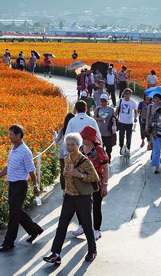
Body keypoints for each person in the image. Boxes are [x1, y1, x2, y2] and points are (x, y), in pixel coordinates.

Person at [42, 133, 99, 265]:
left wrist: (80, 175)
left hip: (82, 198)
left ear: (79, 145)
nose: (70, 147)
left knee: (86, 225)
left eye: (73, 144)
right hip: (69, 197)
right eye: (67, 144)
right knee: (61, 225)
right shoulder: (67, 159)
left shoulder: (85, 161)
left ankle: (92, 250)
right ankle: (55, 254)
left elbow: (95, 178)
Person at [0, 125, 44, 251]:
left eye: (11, 134)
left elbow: (31, 171)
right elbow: (8, 167)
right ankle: (34, 229)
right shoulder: (13, 148)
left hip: (20, 185)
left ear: (19, 135)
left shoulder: (25, 151)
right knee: (16, 211)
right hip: (13, 185)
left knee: (14, 214)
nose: (9, 137)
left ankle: (8, 242)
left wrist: (35, 186)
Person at [74, 126, 109, 241]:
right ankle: (82, 226)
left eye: (84, 137)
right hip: (82, 180)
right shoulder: (81, 148)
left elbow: (106, 168)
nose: (82, 139)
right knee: (80, 205)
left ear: (90, 138)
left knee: (96, 206)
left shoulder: (99, 150)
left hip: (96, 181)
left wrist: (105, 185)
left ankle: (97, 230)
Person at [52, 111, 75, 191]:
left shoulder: (62, 129)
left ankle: (63, 189)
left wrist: (54, 134)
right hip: (71, 152)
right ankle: (70, 189)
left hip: (62, 152)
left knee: (63, 171)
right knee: (71, 171)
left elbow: (56, 140)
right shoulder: (73, 129)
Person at [93, 95, 117, 160]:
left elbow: (114, 117)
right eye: (102, 101)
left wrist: (114, 119)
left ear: (107, 101)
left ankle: (108, 159)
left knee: (109, 149)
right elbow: (94, 118)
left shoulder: (111, 109)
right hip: (100, 133)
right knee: (100, 149)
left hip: (109, 133)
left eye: (104, 101)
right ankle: (102, 161)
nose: (103, 102)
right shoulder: (98, 109)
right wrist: (99, 119)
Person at [116, 89, 135, 154]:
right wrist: (114, 117)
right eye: (125, 93)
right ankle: (121, 147)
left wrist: (135, 117)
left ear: (130, 95)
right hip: (121, 122)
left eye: (128, 94)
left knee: (129, 137)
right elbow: (117, 109)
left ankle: (128, 149)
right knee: (121, 136)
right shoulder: (120, 101)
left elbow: (135, 110)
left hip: (129, 122)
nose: (126, 95)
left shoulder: (133, 102)